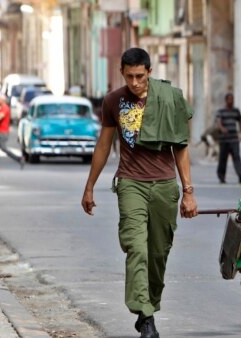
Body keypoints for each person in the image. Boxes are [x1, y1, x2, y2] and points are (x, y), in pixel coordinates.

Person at [81, 47, 198, 338]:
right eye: (130, 76)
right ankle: (144, 315)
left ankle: (149, 305)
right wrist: (89, 186)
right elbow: (104, 145)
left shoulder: (169, 98)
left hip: (164, 184)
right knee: (136, 248)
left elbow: (180, 147)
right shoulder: (113, 101)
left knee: (158, 253)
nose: (135, 82)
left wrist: (188, 192)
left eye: (140, 76)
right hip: (131, 182)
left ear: (149, 72)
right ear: (122, 72)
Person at [216, 93, 241, 184]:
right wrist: (222, 128)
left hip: (234, 139)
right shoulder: (221, 111)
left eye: (232, 99)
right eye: (229, 99)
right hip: (224, 139)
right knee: (223, 158)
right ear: (226, 100)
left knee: (237, 157)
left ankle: (240, 175)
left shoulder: (236, 111)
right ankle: (221, 176)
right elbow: (218, 121)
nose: (231, 101)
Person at [0, 95, 24, 171]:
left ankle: (19, 159)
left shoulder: (5, 108)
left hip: (3, 132)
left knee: (3, 148)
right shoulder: (1, 108)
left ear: (2, 100)